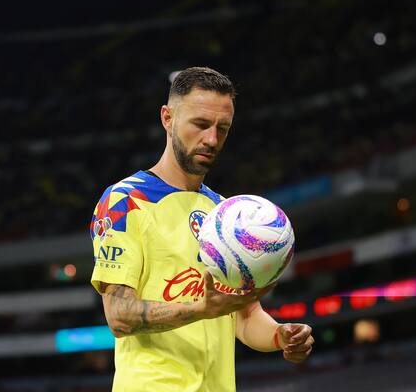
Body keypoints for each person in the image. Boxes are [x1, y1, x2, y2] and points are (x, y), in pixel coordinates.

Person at [90, 66, 314, 391]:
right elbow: (119, 316)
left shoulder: (226, 213)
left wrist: (281, 336)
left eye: (223, 128)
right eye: (201, 124)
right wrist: (201, 309)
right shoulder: (125, 201)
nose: (211, 139)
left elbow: (245, 315)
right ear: (167, 118)